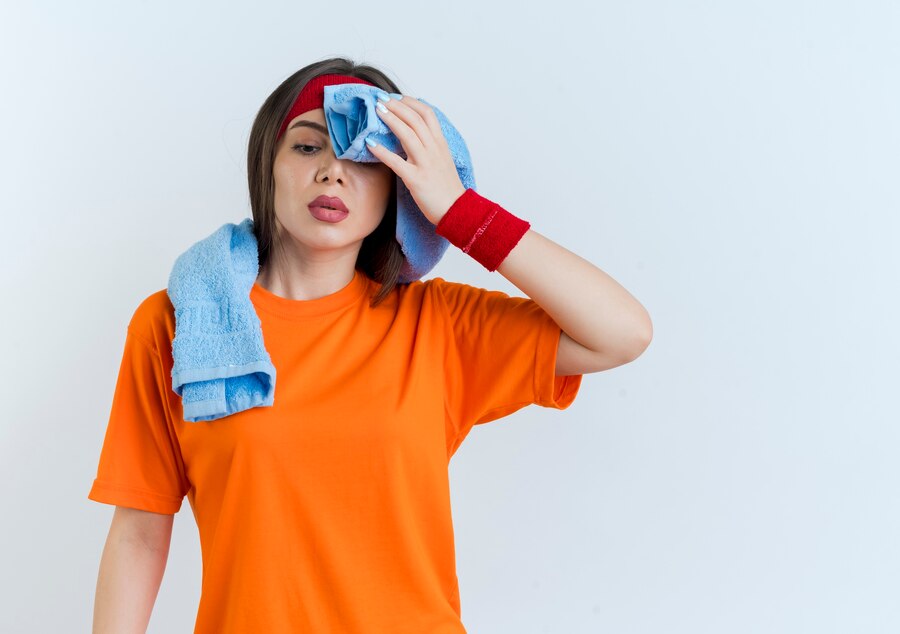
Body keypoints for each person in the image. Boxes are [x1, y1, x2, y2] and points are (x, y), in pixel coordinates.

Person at [87, 56, 652, 633]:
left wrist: (462, 211)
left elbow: (622, 333)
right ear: (269, 163)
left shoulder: (438, 326)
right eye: (307, 148)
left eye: (363, 158)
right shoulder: (181, 325)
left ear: (399, 186)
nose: (333, 173)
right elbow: (138, 532)